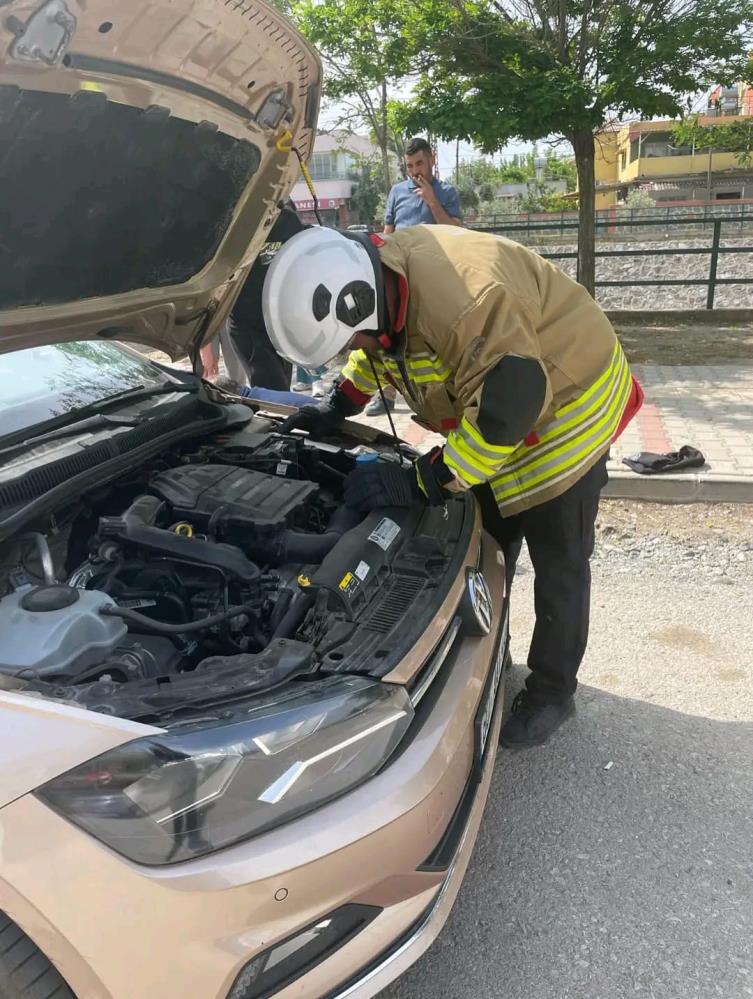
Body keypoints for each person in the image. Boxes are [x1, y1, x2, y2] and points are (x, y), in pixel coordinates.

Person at [262, 224, 643, 748]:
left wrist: (428, 478)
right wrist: (340, 402)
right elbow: (379, 350)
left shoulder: (467, 302)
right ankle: (490, 656)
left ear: (363, 299)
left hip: (566, 415)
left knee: (561, 567)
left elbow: (503, 415)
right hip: (501, 413)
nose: (354, 346)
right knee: (489, 551)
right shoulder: (381, 286)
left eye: (352, 338)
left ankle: (554, 692)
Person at [365, 137, 462, 417]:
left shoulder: (446, 192)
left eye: (419, 163)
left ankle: (445, 394)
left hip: (435, 276)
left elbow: (458, 231)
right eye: (409, 165)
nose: (415, 170)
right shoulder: (397, 192)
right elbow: (388, 232)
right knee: (393, 333)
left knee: (436, 335)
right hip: (401, 275)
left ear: (431, 159)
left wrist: (432, 202)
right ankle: (387, 394)